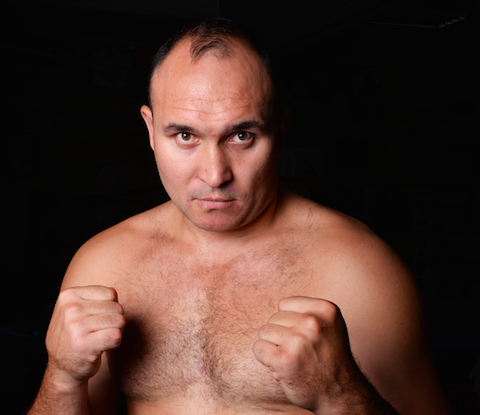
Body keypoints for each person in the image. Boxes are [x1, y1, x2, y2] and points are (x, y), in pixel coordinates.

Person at [28, 19, 450, 415]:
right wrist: (61, 377)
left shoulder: (360, 271)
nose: (215, 175)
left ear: (281, 131)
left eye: (242, 136)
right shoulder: (104, 265)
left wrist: (340, 392)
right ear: (150, 130)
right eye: (185, 136)